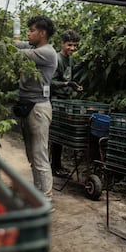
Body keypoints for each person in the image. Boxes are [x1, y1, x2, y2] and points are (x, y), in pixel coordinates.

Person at [14, 15, 57, 203]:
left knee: (39, 154)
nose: (28, 34)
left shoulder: (47, 52)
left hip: (39, 107)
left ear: (43, 33)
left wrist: (9, 45)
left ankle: (46, 199)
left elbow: (14, 52)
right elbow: (14, 45)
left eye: (32, 30)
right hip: (28, 104)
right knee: (32, 153)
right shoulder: (34, 47)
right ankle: (38, 193)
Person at [50, 29, 84, 177]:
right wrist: (67, 85)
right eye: (69, 45)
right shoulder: (56, 59)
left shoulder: (70, 59)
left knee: (61, 133)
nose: (72, 48)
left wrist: (74, 84)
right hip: (55, 100)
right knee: (57, 134)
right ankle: (54, 166)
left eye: (75, 45)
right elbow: (50, 82)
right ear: (62, 44)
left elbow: (68, 76)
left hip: (65, 100)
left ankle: (57, 165)